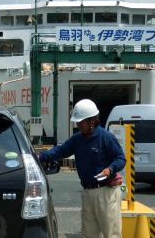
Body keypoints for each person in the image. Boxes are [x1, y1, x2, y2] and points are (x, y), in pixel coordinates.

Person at [39, 99, 126, 238]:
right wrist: (40, 157)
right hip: (88, 192)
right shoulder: (78, 139)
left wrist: (110, 169)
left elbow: (121, 158)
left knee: (111, 234)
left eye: (81, 121)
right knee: (89, 234)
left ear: (92, 121)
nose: (78, 125)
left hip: (106, 193)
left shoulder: (106, 137)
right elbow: (60, 151)